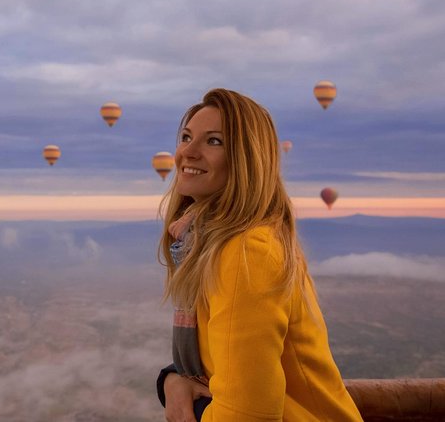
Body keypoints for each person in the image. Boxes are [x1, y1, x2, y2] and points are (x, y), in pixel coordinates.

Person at [155, 88, 362, 422]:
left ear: (246, 158)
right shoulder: (208, 243)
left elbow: (246, 415)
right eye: (186, 136)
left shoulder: (246, 251)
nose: (187, 152)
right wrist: (173, 378)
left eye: (214, 141)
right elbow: (226, 362)